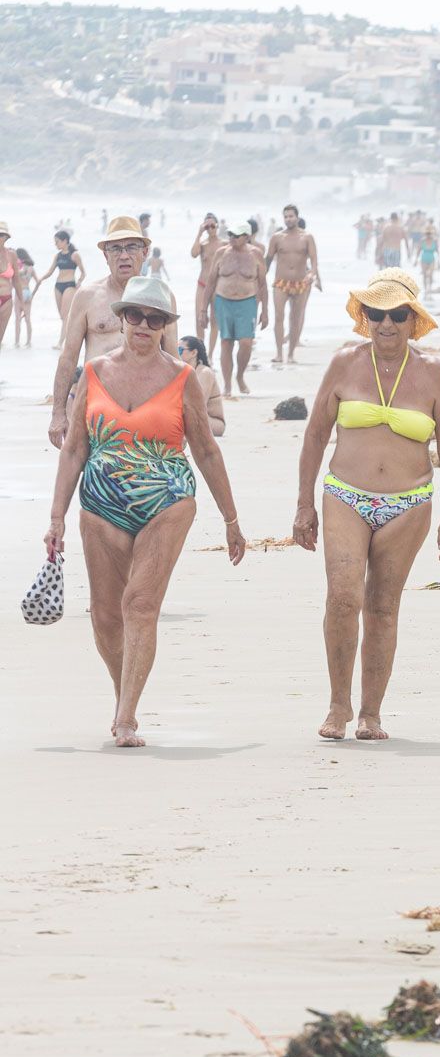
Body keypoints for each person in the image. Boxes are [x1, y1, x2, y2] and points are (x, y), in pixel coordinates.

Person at [44, 276, 245, 748]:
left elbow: (208, 451)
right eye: (136, 315)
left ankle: (127, 716)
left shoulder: (182, 377)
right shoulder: (92, 373)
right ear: (121, 317)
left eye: (156, 319)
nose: (144, 325)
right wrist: (55, 518)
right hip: (99, 506)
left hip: (167, 503)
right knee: (105, 615)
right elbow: (74, 450)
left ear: (165, 326)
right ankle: (123, 695)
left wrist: (231, 520)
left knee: (140, 604)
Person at [291, 269, 440, 743]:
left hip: (409, 503)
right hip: (345, 494)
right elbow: (314, 436)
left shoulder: (432, 372)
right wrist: (304, 503)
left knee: (383, 608)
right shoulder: (344, 364)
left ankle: (371, 713)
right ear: (364, 318)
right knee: (343, 598)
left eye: (397, 315)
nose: (386, 324)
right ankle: (337, 704)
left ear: (413, 320)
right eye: (376, 313)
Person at [51, 215, 169, 448]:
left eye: (131, 247)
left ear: (145, 252)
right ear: (106, 256)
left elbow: (172, 358)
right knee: (99, 480)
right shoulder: (87, 296)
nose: (123, 255)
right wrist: (58, 413)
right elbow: (68, 356)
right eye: (115, 248)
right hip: (97, 407)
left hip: (149, 407)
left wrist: (181, 415)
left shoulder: (162, 297)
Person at [210, 221, 267, 397]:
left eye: (237, 235)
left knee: (246, 343)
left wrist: (265, 311)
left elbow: (263, 285)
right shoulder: (221, 253)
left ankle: (240, 375)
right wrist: (203, 310)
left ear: (247, 237)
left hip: (247, 302)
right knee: (226, 342)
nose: (232, 239)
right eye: (230, 235)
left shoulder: (256, 254)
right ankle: (227, 384)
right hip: (223, 301)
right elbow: (211, 281)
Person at [266, 203, 321, 365]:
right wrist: (259, 278)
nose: (288, 219)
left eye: (291, 216)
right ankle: (278, 353)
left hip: (300, 283)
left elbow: (314, 261)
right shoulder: (277, 237)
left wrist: (312, 274)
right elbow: (268, 260)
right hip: (281, 282)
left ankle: (290, 354)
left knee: (295, 318)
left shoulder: (307, 237)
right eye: (286, 217)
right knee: (278, 317)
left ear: (297, 217)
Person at [39, 230, 84, 336]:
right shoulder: (57, 256)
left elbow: (83, 273)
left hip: (70, 285)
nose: (56, 244)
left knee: (65, 315)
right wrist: (40, 279)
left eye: (57, 242)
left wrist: (79, 282)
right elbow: (50, 271)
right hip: (58, 286)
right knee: (62, 316)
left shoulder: (74, 255)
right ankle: (69, 336)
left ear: (65, 241)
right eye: (55, 242)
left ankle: (60, 343)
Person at [180, 333, 225, 436]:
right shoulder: (182, 371)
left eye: (180, 350)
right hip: (194, 418)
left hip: (212, 422)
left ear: (194, 353)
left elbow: (197, 404)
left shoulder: (205, 373)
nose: (177, 353)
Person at [191, 211, 222, 342]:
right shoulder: (202, 244)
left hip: (217, 286)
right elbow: (193, 253)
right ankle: (201, 351)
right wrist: (199, 233)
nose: (210, 230)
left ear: (217, 226)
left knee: (215, 320)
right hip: (202, 285)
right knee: (199, 318)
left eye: (212, 226)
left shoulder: (224, 244)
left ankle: (210, 355)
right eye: (207, 227)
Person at [12, 249, 38, 346]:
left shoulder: (18, 267)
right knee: (28, 319)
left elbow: (13, 281)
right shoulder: (31, 267)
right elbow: (38, 281)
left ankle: (17, 342)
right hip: (28, 292)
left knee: (18, 319)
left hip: (20, 293)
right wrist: (33, 294)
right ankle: (28, 342)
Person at [0, 221, 18, 348]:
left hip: (7, 299)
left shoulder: (11, 255)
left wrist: (22, 300)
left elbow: (16, 279)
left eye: (2, 235)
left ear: (6, 237)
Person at [419, 218, 438, 293]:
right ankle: (425, 289)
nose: (428, 235)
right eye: (427, 234)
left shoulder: (435, 241)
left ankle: (429, 288)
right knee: (424, 274)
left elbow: (437, 250)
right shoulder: (422, 240)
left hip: (432, 258)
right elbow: (419, 250)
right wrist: (415, 260)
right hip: (424, 258)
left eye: (429, 234)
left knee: (430, 274)